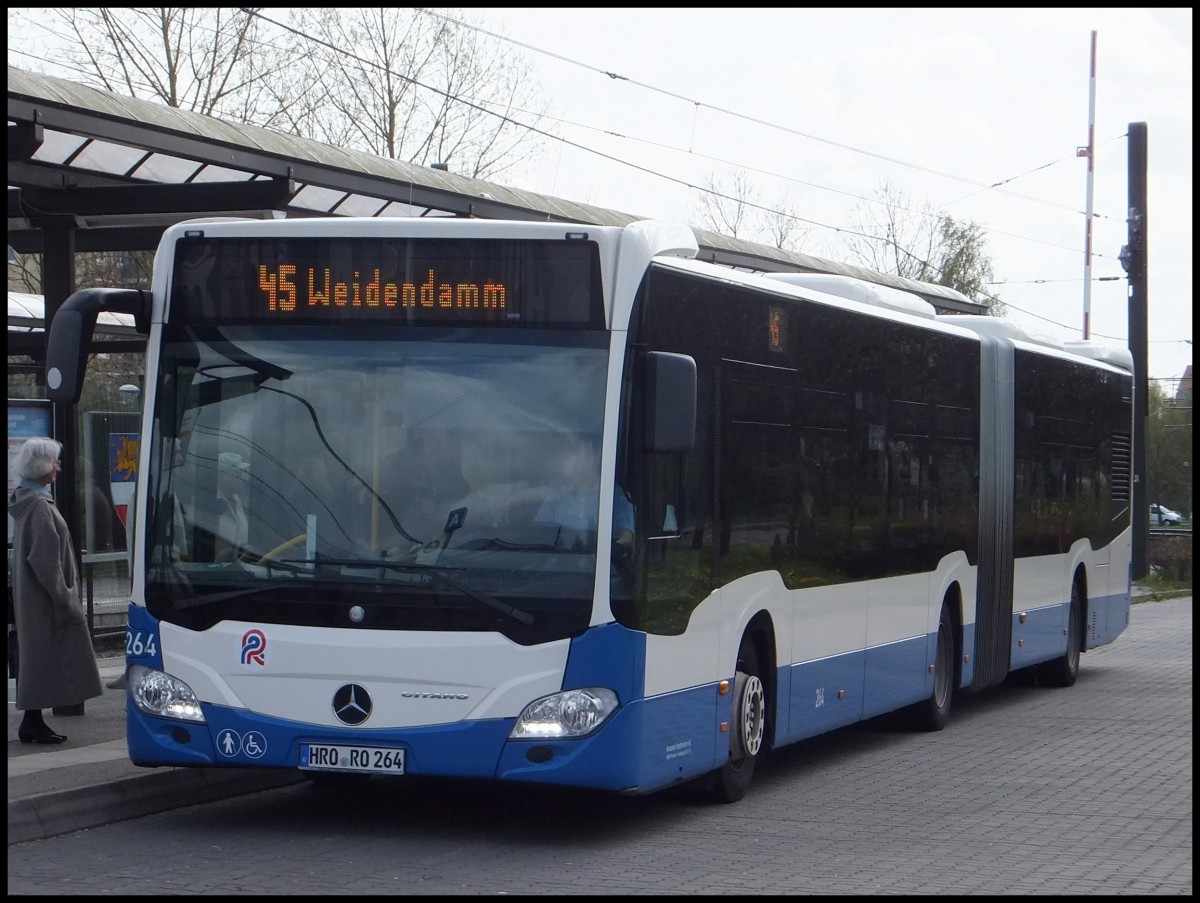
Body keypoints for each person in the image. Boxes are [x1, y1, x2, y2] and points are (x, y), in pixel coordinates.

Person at [8, 437, 104, 745]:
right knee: (49, 658)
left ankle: (33, 720)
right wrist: (64, 597)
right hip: (48, 602)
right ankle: (32, 722)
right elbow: (46, 561)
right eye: (54, 461)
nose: (58, 466)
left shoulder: (27, 502)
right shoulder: (39, 507)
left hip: (33, 600)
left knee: (39, 659)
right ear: (41, 466)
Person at [534, 440, 635, 552]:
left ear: (593, 456)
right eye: (567, 454)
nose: (567, 460)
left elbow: (626, 536)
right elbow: (540, 536)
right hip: (558, 562)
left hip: (599, 563)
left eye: (576, 453)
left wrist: (614, 548)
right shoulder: (555, 495)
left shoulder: (614, 495)